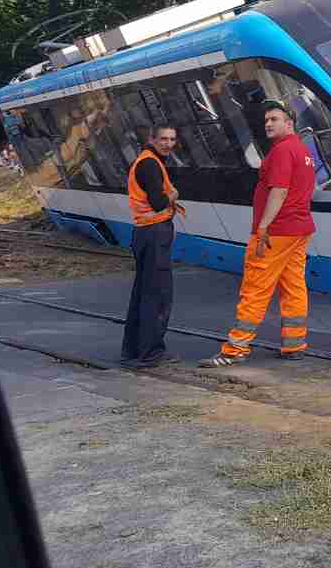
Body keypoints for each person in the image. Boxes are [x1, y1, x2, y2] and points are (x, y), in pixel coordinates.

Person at [200, 98, 316, 367]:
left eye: (274, 119)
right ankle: (294, 343)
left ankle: (236, 348)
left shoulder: (282, 152)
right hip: (299, 229)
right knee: (293, 286)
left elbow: (280, 190)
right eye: (266, 120)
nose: (268, 124)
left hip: (275, 232)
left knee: (255, 288)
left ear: (289, 124)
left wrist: (263, 226)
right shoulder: (303, 151)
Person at [122, 126, 183, 369]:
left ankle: (133, 349)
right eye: (163, 139)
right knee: (157, 295)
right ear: (151, 139)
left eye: (172, 139)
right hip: (154, 233)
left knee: (143, 292)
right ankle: (151, 352)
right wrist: (173, 194)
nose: (168, 144)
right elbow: (158, 203)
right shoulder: (150, 164)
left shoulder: (146, 161)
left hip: (145, 232)